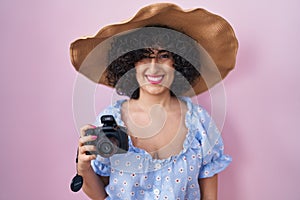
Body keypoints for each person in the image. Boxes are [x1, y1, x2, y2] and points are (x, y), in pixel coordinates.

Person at [70, 3, 238, 200]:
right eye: (144, 56)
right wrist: (83, 166)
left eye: (164, 55)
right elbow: (100, 195)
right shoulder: (111, 121)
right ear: (130, 62)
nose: (154, 67)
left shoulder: (200, 123)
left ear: (178, 61)